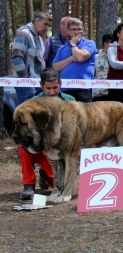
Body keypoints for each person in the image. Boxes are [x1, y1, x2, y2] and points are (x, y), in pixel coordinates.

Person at [19, 68, 76, 200]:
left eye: (55, 88)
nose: (52, 92)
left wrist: (58, 152)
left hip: (61, 150)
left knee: (54, 184)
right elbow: (30, 134)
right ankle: (28, 185)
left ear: (61, 84)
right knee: (23, 146)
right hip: (43, 150)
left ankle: (45, 177)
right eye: (48, 88)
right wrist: (47, 151)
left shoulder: (71, 100)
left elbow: (73, 132)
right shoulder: (32, 104)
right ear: (41, 86)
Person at [11, 12, 52, 105]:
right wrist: (25, 81)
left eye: (48, 26)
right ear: (37, 20)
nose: (46, 28)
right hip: (26, 83)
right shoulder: (24, 34)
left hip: (36, 82)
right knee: (26, 116)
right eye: (45, 24)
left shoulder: (38, 37)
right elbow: (17, 58)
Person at [52, 18, 97, 102]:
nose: (77, 32)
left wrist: (73, 44)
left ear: (83, 30)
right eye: (74, 29)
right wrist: (71, 58)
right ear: (68, 31)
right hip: (65, 90)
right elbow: (55, 67)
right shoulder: (62, 48)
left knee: (84, 115)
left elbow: (80, 58)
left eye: (79, 29)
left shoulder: (89, 43)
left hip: (83, 89)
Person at [93, 34, 113, 101]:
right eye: (112, 44)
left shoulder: (116, 59)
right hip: (97, 94)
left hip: (110, 94)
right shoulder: (95, 58)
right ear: (105, 44)